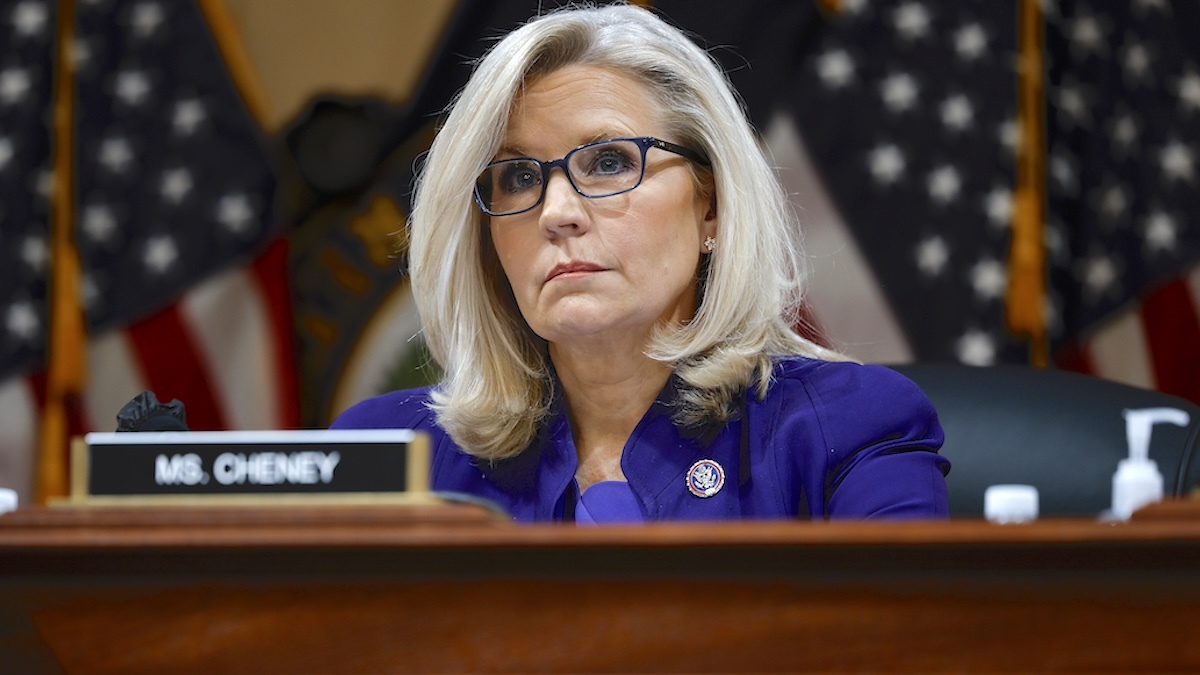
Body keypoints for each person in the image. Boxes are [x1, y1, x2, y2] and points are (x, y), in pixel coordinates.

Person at [332, 2, 950, 522]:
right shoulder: (388, 451)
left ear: (711, 208)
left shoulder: (847, 426)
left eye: (608, 162)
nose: (556, 212)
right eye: (520, 176)